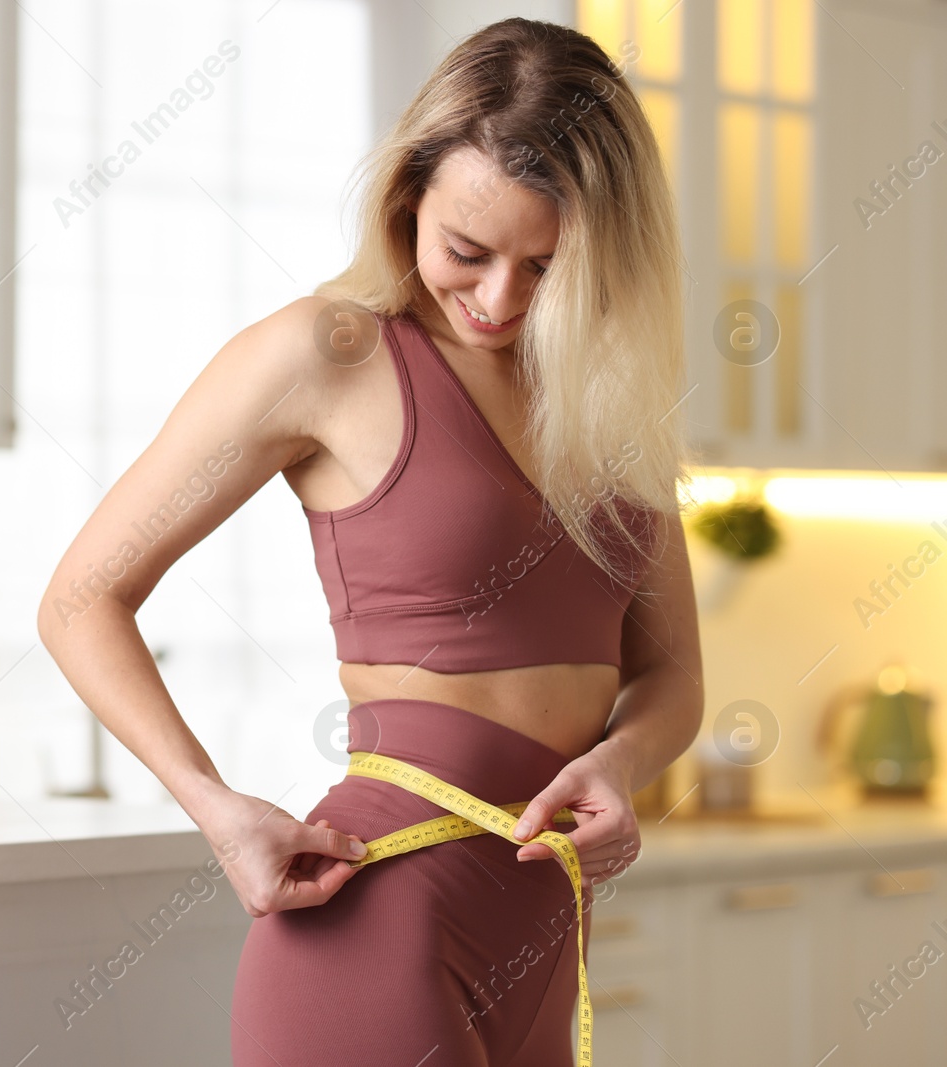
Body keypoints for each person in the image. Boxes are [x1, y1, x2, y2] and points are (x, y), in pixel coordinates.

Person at [37, 17, 703, 1066]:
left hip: (542, 924)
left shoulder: (613, 395)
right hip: (378, 908)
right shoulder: (329, 353)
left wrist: (620, 762)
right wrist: (216, 808)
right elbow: (81, 598)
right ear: (407, 200)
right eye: (467, 253)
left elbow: (670, 674)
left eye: (546, 265)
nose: (499, 300)